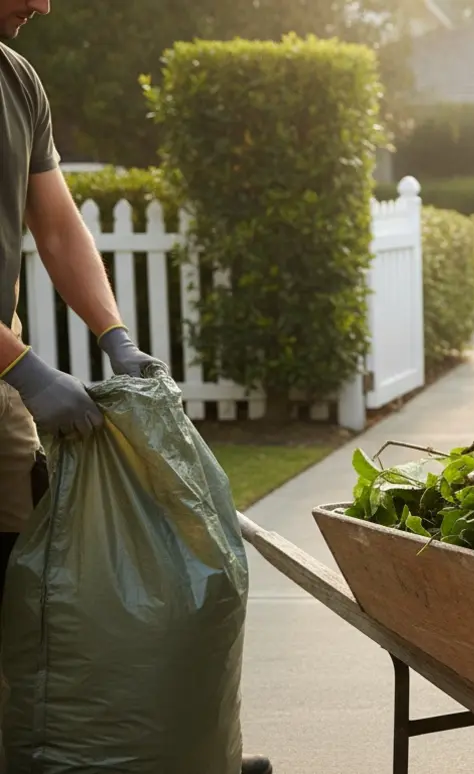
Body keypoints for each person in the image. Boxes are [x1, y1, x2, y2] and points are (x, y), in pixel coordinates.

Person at [0, 2, 272, 772]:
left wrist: (115, 335)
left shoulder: (16, 80)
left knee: (23, 588)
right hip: (5, 372)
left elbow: (55, 224)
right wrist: (22, 366)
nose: (43, 5)